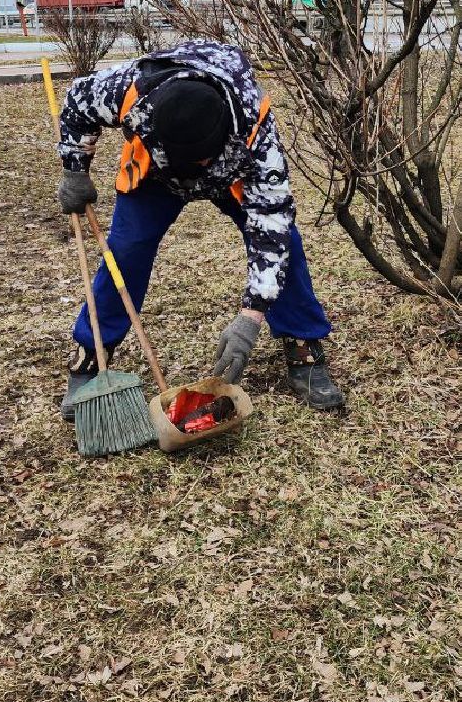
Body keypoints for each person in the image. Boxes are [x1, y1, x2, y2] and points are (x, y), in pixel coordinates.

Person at [56, 38, 345, 418]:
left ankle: (303, 343)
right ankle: (92, 353)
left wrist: (250, 317)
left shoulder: (254, 131)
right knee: (125, 251)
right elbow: (77, 100)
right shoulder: (133, 89)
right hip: (156, 172)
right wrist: (75, 169)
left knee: (285, 241)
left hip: (232, 174)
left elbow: (270, 230)